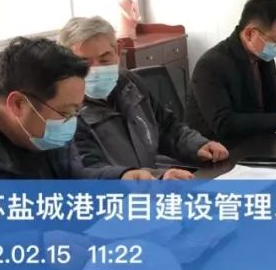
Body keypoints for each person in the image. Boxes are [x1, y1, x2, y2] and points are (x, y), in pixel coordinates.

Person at [0, 37, 155, 180]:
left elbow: (74, 178)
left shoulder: (42, 134)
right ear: (18, 104)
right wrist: (38, 243)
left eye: (76, 112)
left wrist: (122, 179)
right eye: (66, 113)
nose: (72, 122)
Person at [58, 16, 228, 179]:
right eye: (84, 63)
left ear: (117, 51)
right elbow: (91, 172)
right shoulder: (64, 112)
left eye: (104, 59)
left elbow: (166, 127)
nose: (95, 70)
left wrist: (197, 145)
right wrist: (158, 177)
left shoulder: (129, 83)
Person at [186, 0, 276, 146]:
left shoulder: (262, 58)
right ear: (249, 34)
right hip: (220, 152)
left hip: (257, 143)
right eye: (274, 40)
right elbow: (224, 123)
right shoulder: (210, 66)